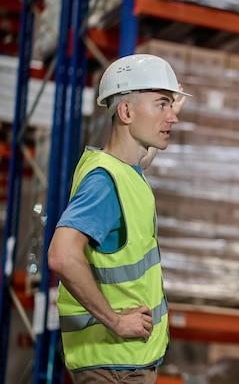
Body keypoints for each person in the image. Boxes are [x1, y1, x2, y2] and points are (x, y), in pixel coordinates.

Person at [48, 53, 190, 384]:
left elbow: (141, 159)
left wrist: (165, 111)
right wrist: (114, 320)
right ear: (126, 112)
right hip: (113, 365)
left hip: (125, 361)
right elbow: (61, 255)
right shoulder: (104, 182)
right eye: (161, 105)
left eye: (171, 106)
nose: (173, 118)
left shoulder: (123, 171)